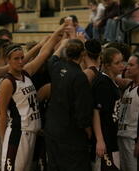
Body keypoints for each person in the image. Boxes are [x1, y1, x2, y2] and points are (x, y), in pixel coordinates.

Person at [0, 24, 65, 171]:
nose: (21, 61)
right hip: (17, 133)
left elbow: (43, 54)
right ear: (8, 60)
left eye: (22, 58)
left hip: (31, 132)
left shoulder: (26, 72)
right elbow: (2, 113)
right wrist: (4, 140)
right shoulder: (7, 82)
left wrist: (58, 32)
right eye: (16, 58)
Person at [45, 38, 93, 171]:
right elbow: (82, 108)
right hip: (71, 133)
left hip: (52, 129)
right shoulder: (79, 76)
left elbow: (52, 58)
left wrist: (62, 44)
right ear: (83, 54)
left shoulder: (56, 66)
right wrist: (87, 128)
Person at [117, 54, 139, 171]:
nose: (128, 67)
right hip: (122, 136)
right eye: (127, 64)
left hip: (134, 139)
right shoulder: (128, 84)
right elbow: (110, 76)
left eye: (131, 65)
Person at [90, 47, 125, 170]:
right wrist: (100, 140)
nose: (122, 65)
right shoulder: (103, 83)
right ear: (107, 65)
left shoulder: (111, 81)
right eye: (117, 63)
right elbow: (95, 111)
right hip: (104, 139)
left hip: (111, 137)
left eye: (122, 61)